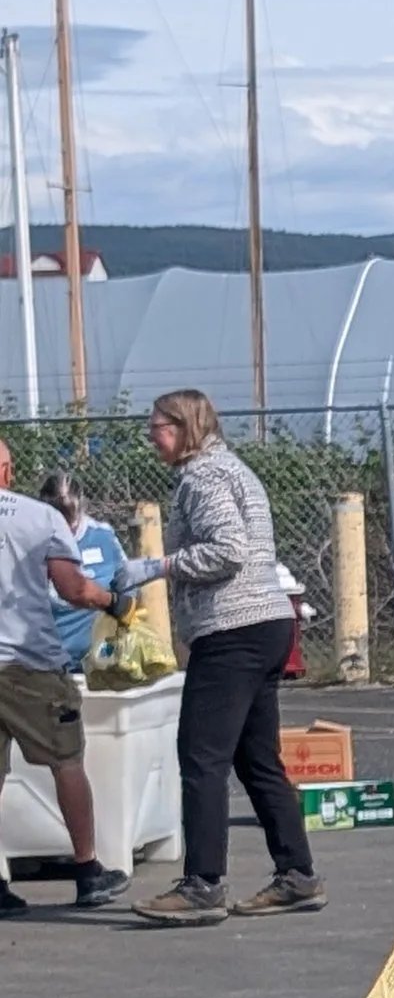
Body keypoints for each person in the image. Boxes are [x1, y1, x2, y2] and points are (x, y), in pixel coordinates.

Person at [116, 390, 325, 926]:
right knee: (256, 758)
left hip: (232, 629)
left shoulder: (202, 477)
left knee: (201, 756)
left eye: (158, 426)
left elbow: (227, 550)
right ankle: (296, 875)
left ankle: (202, 884)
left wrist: (158, 566)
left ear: (184, 426)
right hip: (268, 622)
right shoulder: (232, 468)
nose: (151, 436)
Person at [0, 440, 128, 910]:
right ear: (8, 470)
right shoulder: (39, 517)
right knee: (66, 762)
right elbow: (73, 589)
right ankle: (87, 870)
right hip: (29, 664)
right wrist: (114, 602)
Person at [37, 471, 124, 671]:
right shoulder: (32, 541)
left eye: (71, 523)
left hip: (100, 656)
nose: (66, 531)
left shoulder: (103, 536)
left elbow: (127, 581)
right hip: (51, 659)